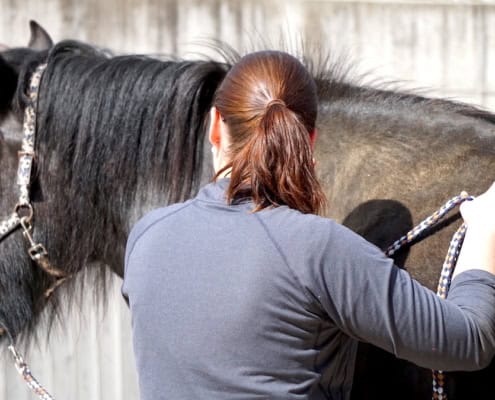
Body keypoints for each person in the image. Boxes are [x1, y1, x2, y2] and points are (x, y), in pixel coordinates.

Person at [122, 50, 495, 400]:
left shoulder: (146, 236)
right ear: (311, 140)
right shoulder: (318, 249)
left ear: (215, 126)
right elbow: (469, 340)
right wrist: (483, 227)